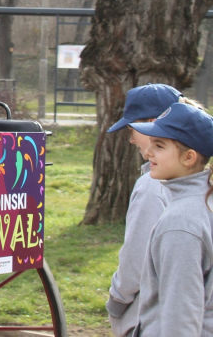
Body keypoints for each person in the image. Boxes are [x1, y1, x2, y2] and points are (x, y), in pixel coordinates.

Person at [129, 102, 213, 336]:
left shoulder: (180, 223)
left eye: (159, 145)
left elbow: (181, 315)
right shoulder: (205, 201)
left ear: (188, 157)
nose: (148, 152)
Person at [104, 84, 181, 337]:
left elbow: (136, 259)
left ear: (152, 124)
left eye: (132, 130)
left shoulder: (151, 186)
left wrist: (117, 300)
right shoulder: (199, 178)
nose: (130, 139)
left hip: (150, 319)